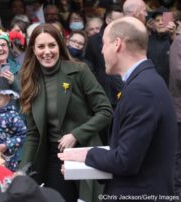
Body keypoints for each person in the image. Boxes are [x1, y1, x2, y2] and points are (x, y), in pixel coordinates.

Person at [59, 17, 178, 199]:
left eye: (104, 44)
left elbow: (126, 161)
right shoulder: (145, 81)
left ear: (116, 44)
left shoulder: (142, 89)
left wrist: (89, 154)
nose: (101, 50)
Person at [19, 23, 113, 202]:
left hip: (84, 152)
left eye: (51, 45)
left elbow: (105, 111)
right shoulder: (29, 79)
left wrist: (76, 134)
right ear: (33, 49)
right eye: (41, 46)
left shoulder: (79, 71)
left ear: (60, 46)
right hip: (53, 158)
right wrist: (22, 171)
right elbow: (33, 134)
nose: (47, 51)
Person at [85, 4, 124, 111]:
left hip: (122, 91)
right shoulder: (93, 41)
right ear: (108, 20)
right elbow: (89, 65)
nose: (121, 24)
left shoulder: (125, 39)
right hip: (101, 93)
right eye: (118, 21)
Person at [169, 34, 181, 201]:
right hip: (179, 110)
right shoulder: (179, 42)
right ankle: (177, 191)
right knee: (178, 154)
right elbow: (178, 73)